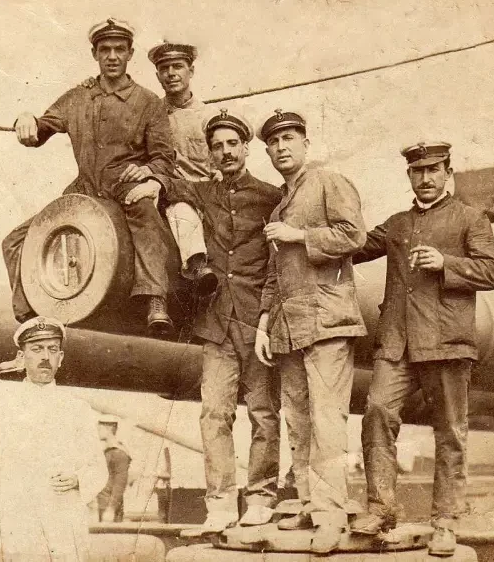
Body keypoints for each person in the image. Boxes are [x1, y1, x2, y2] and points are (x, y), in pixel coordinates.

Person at [349, 142, 494, 557]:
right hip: (397, 343)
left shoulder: (470, 218)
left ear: (447, 172)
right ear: (409, 176)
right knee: (377, 413)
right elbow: (354, 245)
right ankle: (381, 509)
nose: (425, 178)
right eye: (418, 171)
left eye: (434, 169)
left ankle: (446, 523)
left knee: (450, 431)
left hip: (447, 343)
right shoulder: (397, 224)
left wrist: (446, 263)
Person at [2, 18, 177, 339]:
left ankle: (155, 299)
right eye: (105, 50)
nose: (112, 56)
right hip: (84, 188)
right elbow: (40, 129)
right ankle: (31, 314)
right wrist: (24, 119)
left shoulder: (149, 103)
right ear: (94, 54)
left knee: (144, 212)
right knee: (15, 240)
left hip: (124, 185)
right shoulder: (77, 98)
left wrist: (149, 173)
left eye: (119, 49)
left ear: (130, 53)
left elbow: (164, 157)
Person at [156, 108, 282, 531]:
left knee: (264, 412)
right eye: (217, 146)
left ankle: (261, 497)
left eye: (232, 144)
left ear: (246, 147)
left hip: (258, 322)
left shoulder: (270, 197)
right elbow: (170, 189)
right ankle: (221, 505)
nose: (225, 152)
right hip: (215, 323)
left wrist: (268, 317)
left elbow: (278, 263)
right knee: (214, 414)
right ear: (209, 153)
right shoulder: (200, 193)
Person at [254, 110, 367, 554]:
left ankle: (331, 515)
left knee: (326, 421)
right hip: (288, 328)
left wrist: (299, 235)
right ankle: (309, 503)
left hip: (326, 323)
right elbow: (273, 272)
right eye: (274, 141)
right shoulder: (280, 205)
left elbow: (353, 236)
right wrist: (263, 322)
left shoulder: (328, 182)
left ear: (305, 143)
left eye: (289, 138)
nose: (281, 146)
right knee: (298, 421)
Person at [0, 317, 107, 561]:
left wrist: (78, 479)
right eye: (37, 349)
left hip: (64, 526)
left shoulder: (77, 410)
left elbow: (98, 468)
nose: (45, 357)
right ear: (21, 357)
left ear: (61, 358)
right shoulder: (1, 408)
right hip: (16, 527)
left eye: (52, 350)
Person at [147, 40, 217, 295]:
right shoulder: (151, 116)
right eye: (164, 69)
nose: (171, 73)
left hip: (204, 194)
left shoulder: (208, 117)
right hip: (167, 195)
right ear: (158, 76)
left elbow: (220, 162)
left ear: (191, 71)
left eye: (177, 66)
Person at [95, 415, 132, 523]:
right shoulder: (109, 451)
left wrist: (111, 509)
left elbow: (120, 483)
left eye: (100, 428)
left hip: (110, 508)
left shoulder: (118, 452)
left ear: (109, 429)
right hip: (103, 504)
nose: (97, 431)